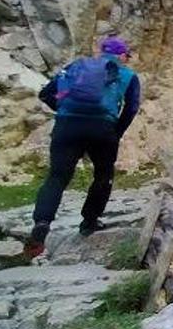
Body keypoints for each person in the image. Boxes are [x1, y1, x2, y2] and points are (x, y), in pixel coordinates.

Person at [25, 36, 142, 257]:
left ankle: (42, 222)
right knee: (103, 175)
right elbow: (132, 107)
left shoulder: (76, 66)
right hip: (103, 129)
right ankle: (89, 221)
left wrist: (64, 110)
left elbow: (46, 93)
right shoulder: (128, 75)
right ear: (122, 55)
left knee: (57, 177)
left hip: (67, 126)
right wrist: (116, 132)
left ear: (100, 51)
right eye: (127, 55)